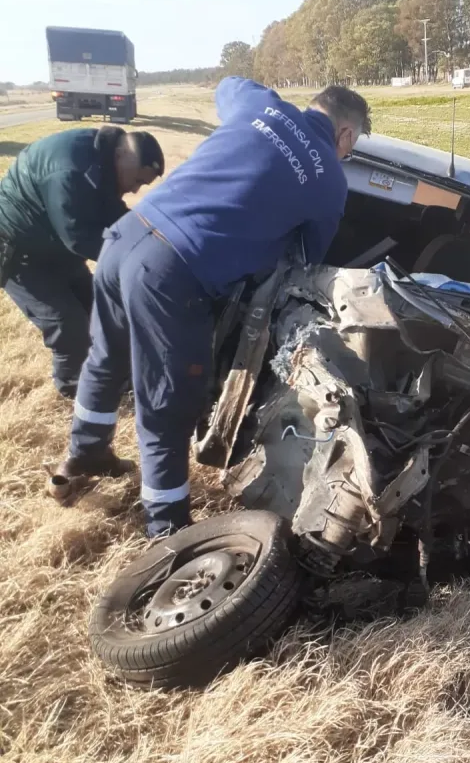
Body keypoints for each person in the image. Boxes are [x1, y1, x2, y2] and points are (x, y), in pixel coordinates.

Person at [57, 78, 371, 538]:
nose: (348, 152)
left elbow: (229, 83)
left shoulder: (260, 105)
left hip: (124, 238)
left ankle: (83, 453)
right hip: (171, 271)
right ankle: (167, 528)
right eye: (354, 144)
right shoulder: (328, 178)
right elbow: (308, 262)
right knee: (168, 400)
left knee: (107, 356)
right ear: (346, 135)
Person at [0, 126, 164, 397]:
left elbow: (114, 218)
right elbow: (78, 237)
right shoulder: (70, 170)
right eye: (136, 180)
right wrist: (136, 263)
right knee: (67, 324)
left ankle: (112, 373)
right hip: (20, 253)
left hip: (54, 247)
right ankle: (75, 390)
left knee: (97, 311)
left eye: (141, 185)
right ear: (121, 155)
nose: (135, 189)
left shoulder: (104, 159)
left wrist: (151, 243)